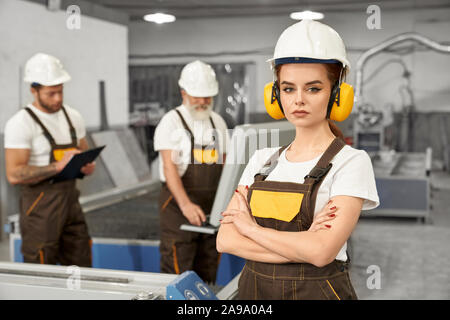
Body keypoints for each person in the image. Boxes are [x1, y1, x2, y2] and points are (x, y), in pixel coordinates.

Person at [217, 20, 379, 300]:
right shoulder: (261, 162)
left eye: (313, 88)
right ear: (275, 94)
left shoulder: (351, 162)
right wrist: (302, 245)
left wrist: (250, 229)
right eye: (288, 88)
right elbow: (226, 240)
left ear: (337, 94)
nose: (298, 100)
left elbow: (321, 252)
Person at [4, 53, 95, 266]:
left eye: (60, 91)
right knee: (41, 267)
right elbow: (14, 174)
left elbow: (83, 152)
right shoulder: (21, 123)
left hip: (71, 203)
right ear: (33, 90)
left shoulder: (73, 117)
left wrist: (87, 166)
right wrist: (57, 166)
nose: (58, 99)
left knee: (81, 264)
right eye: (51, 93)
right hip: (39, 207)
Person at [154, 60, 229, 283]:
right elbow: (169, 168)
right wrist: (186, 204)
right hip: (178, 207)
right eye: (197, 96)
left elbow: (226, 164)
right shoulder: (171, 122)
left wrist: (228, 203)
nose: (203, 102)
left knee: (208, 268)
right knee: (178, 269)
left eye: (208, 97)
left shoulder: (218, 122)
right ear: (183, 92)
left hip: (211, 207)